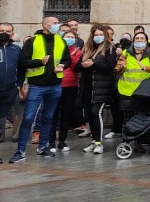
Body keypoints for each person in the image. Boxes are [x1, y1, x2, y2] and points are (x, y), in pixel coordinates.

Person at [11, 17, 72, 163]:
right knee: (28, 118)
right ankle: (20, 151)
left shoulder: (60, 40)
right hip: (37, 85)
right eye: (55, 23)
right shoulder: (32, 41)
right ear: (45, 25)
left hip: (55, 85)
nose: (57, 25)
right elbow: (23, 61)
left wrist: (62, 66)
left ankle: (43, 147)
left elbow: (67, 59)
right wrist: (39, 62)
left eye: (58, 23)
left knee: (48, 118)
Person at [79, 25, 117, 155]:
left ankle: (99, 143)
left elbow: (110, 66)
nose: (98, 37)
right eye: (95, 34)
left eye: (100, 34)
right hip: (88, 87)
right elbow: (78, 65)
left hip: (102, 88)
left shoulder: (110, 48)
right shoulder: (88, 48)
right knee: (89, 115)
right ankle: (94, 141)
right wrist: (83, 65)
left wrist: (94, 63)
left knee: (96, 113)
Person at [48, 29, 82, 152]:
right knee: (53, 114)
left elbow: (76, 67)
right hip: (56, 84)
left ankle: (62, 141)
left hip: (71, 85)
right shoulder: (57, 48)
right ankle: (51, 141)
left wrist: (72, 56)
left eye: (72, 37)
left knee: (66, 114)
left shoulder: (78, 52)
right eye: (67, 36)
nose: (70, 39)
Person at [0, 23, 23, 161]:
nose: (4, 33)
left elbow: (21, 69)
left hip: (9, 90)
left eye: (8, 31)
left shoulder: (16, 49)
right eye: (1, 30)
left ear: (12, 33)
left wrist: (19, 85)